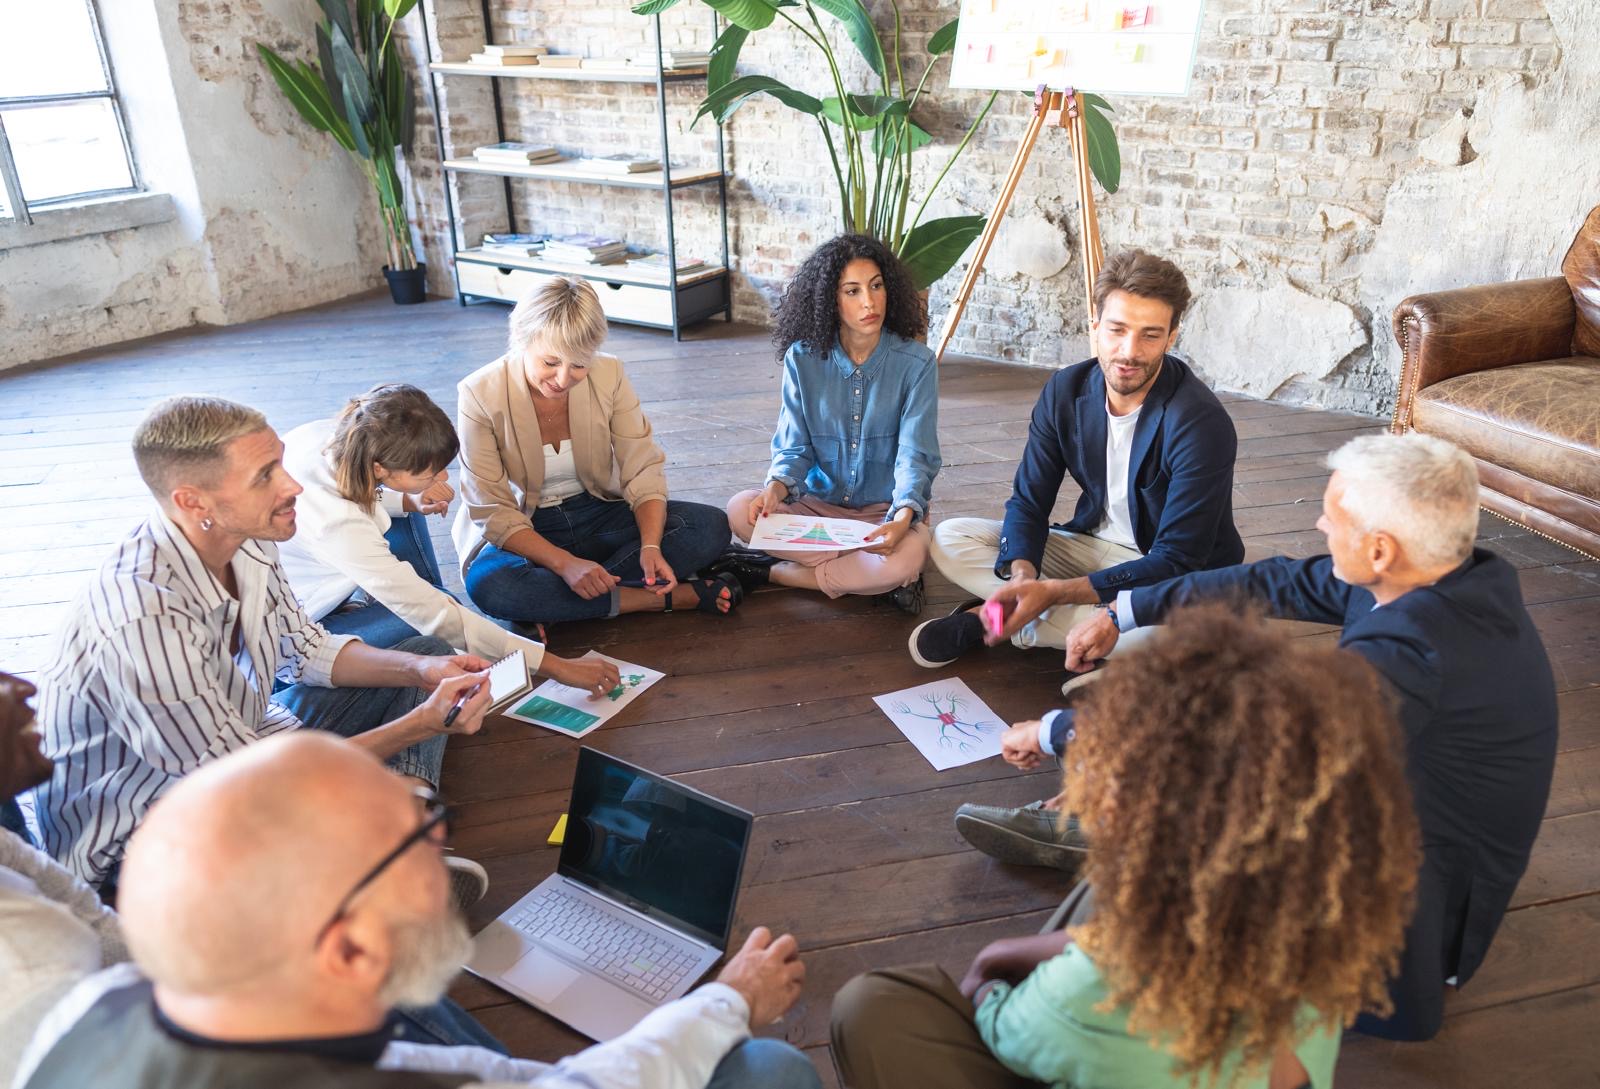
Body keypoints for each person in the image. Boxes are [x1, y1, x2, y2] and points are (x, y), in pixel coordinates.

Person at [962, 432, 1558, 1042]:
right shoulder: (1444, 574)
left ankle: (1119, 846)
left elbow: (1246, 743)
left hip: (1398, 894)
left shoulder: (1414, 651)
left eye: (1334, 517)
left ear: (1381, 549)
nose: (1321, 524)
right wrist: (1123, 611)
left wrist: (1057, 731)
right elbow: (1276, 582)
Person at [16, 732, 822, 1089]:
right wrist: (730, 998)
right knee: (773, 1069)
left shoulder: (93, 1009)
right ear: (348, 949)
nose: (442, 851)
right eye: (417, 839)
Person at [831, 607, 1422, 1089]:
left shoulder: (1093, 998)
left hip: (1081, 1030)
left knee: (872, 1006)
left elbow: (1004, 1026)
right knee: (1110, 885)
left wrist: (990, 972)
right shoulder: (1317, 903)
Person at [34, 395, 498, 894]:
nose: (292, 485)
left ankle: (400, 815)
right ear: (194, 502)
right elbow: (245, 784)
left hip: (249, 742)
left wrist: (417, 673)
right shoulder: (146, 619)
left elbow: (308, 651)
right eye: (264, 476)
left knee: (427, 654)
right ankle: (364, 860)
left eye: (280, 462)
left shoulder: (248, 536)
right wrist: (419, 724)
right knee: (280, 855)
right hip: (147, 837)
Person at [0, 668, 504, 1081]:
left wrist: (216, 965)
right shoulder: (30, 974)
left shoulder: (86, 994)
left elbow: (90, 917)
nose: (22, 685)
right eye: (429, 828)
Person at [908, 249, 1241, 667]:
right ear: (1095, 325)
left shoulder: (1200, 422)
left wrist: (1056, 592)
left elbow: (1176, 559)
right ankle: (1075, 626)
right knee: (951, 539)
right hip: (1090, 545)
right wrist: (1024, 577)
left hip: (1169, 571)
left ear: (1171, 337)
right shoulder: (1066, 390)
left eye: (1150, 335)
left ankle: (991, 619)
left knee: (1175, 630)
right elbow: (1029, 501)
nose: (1130, 351)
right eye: (1117, 329)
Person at [276, 383, 620, 694]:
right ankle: (434, 608)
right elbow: (432, 614)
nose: (442, 478)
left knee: (414, 518)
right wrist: (558, 667)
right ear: (380, 468)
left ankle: (430, 600)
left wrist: (408, 499)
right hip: (314, 624)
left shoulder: (339, 436)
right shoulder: (337, 523)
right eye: (429, 472)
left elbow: (360, 493)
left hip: (335, 571)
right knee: (432, 622)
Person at [455, 277, 741, 628]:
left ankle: (557, 602)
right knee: (491, 585)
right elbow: (493, 510)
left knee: (709, 526)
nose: (563, 379)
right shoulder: (478, 393)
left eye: (579, 364)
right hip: (526, 525)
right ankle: (657, 598)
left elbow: (642, 466)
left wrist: (651, 547)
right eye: (550, 362)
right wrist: (564, 564)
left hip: (599, 511)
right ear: (521, 340)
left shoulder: (610, 373)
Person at [720, 235, 940, 614]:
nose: (869, 302)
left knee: (907, 557)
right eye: (852, 291)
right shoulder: (802, 359)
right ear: (829, 301)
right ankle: (870, 577)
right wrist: (774, 490)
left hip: (883, 515)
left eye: (876, 286)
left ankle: (774, 573)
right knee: (741, 511)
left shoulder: (917, 364)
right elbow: (794, 447)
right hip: (817, 511)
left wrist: (904, 517)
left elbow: (915, 456)